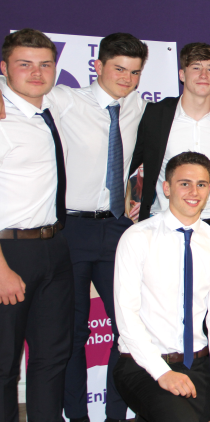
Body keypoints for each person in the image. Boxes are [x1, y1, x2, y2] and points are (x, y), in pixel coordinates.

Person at [0, 32, 210, 422]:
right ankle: (76, 415)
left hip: (116, 227)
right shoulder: (64, 98)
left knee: (128, 327)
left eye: (134, 72)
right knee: (70, 335)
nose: (127, 79)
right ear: (98, 67)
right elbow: (25, 81)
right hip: (70, 229)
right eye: (119, 69)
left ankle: (117, 415)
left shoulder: (138, 109)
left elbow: (194, 103)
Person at [113, 151, 210, 422]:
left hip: (198, 364)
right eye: (184, 183)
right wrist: (162, 373)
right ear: (166, 188)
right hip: (143, 364)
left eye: (201, 184)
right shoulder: (136, 238)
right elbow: (127, 317)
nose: (194, 192)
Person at [0, 28, 73, 422]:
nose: (35, 72)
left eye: (45, 64)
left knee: (52, 357)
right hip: (8, 252)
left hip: (55, 247)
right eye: (24, 64)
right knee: (4, 364)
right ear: (4, 69)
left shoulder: (50, 107)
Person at [130, 42, 210, 237]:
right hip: (162, 219)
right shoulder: (155, 115)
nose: (203, 75)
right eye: (196, 67)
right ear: (182, 74)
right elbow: (129, 163)